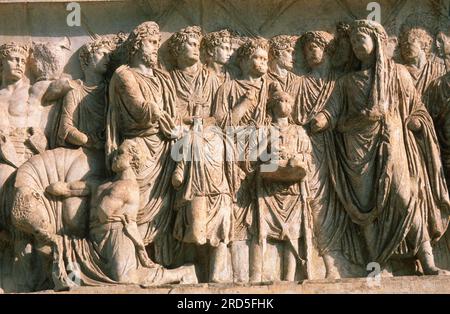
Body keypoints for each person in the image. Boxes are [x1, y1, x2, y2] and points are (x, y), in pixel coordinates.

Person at [311, 19, 450, 275]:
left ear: (376, 41)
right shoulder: (346, 82)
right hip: (357, 149)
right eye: (352, 41)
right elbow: (332, 110)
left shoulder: (397, 73)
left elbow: (417, 107)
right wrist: (321, 120)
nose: (356, 45)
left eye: (360, 39)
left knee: (405, 196)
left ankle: (427, 259)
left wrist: (417, 122)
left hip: (393, 142)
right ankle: (378, 263)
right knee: (366, 208)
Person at [107, 21, 178, 266]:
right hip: (138, 148)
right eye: (151, 42)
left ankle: (161, 260)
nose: (155, 48)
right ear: (137, 45)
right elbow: (139, 109)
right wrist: (160, 115)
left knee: (164, 204)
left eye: (158, 43)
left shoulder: (161, 77)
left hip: (164, 148)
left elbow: (173, 112)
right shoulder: (124, 74)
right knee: (134, 205)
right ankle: (131, 260)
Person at [168, 27, 233, 283]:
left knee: (218, 197)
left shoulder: (212, 78)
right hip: (179, 135)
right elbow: (169, 113)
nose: (195, 47)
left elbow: (218, 114)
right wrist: (188, 121)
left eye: (198, 44)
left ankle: (217, 271)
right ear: (177, 50)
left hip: (210, 138)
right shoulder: (168, 79)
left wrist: (202, 121)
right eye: (190, 44)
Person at [213, 38, 271, 282]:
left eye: (265, 59)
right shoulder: (228, 88)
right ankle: (237, 278)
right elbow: (220, 123)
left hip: (264, 157)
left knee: (260, 217)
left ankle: (258, 276)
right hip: (235, 158)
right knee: (237, 217)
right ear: (244, 60)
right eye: (257, 58)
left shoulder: (272, 88)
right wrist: (245, 102)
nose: (262, 63)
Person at [57, 37, 114, 150]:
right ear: (87, 58)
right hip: (82, 150)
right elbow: (65, 129)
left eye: (109, 56)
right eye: (102, 54)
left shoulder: (111, 90)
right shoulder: (74, 92)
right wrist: (85, 140)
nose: (107, 59)